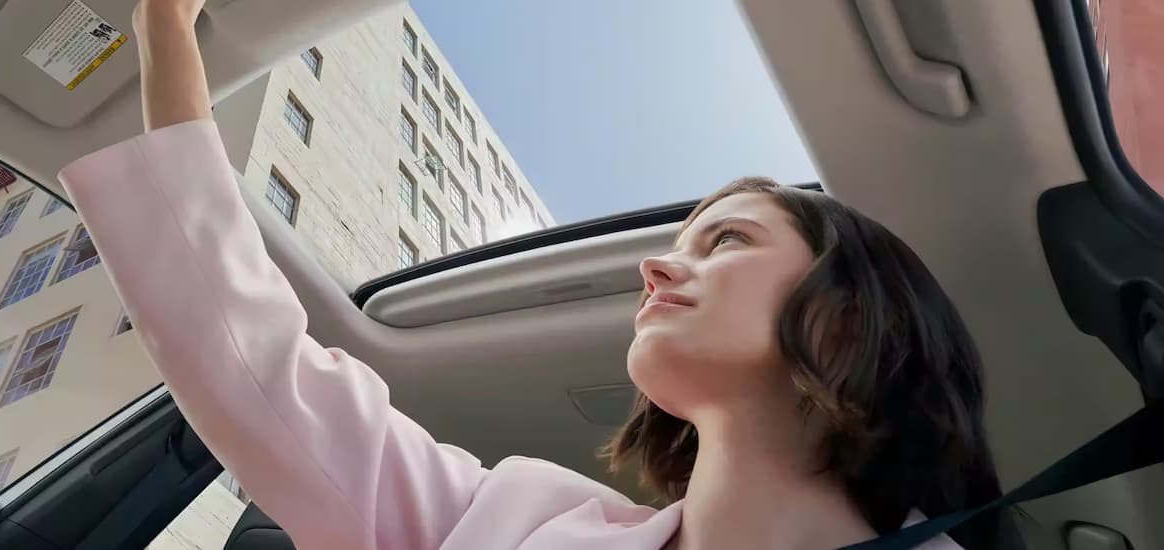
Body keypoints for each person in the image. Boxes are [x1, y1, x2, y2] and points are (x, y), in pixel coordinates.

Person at [57, 0, 1017, 548]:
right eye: (680, 243)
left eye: (725, 242)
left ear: (846, 321)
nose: (656, 266)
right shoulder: (515, 523)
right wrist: (166, 28)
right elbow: (255, 367)